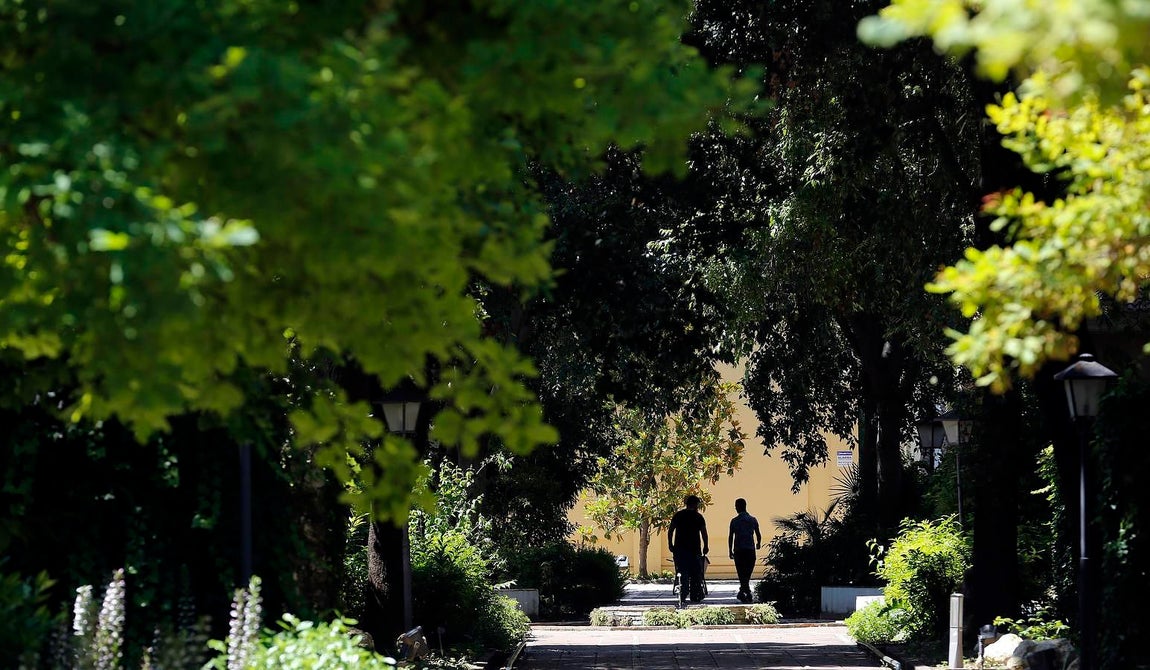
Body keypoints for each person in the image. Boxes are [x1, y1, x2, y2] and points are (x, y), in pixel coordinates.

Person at [668, 494, 708, 606]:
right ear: (695, 505)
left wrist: (670, 544)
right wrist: (706, 546)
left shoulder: (678, 515)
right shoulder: (698, 517)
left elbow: (670, 530)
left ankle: (683, 594)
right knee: (695, 573)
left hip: (680, 550)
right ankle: (695, 594)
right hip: (694, 550)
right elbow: (704, 533)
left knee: (682, 572)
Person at [727, 498, 762, 603]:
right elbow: (758, 534)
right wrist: (758, 543)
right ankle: (746, 591)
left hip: (739, 550)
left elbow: (730, 537)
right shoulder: (753, 520)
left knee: (741, 572)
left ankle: (744, 591)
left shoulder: (734, 521)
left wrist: (730, 550)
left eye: (736, 506)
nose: (735, 508)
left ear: (738, 507)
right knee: (747, 571)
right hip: (750, 549)